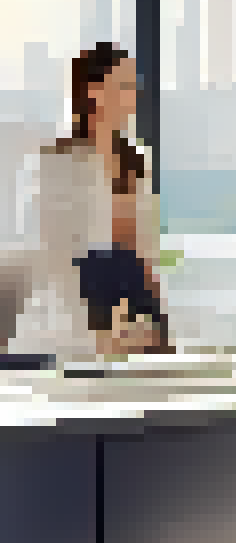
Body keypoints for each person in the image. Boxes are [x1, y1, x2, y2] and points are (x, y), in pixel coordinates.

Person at [12, 43, 167, 360]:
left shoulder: (137, 160)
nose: (134, 95)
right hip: (75, 300)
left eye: (133, 86)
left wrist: (156, 317)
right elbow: (57, 249)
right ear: (94, 92)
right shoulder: (58, 160)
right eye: (123, 85)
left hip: (128, 292)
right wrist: (94, 329)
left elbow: (142, 249)